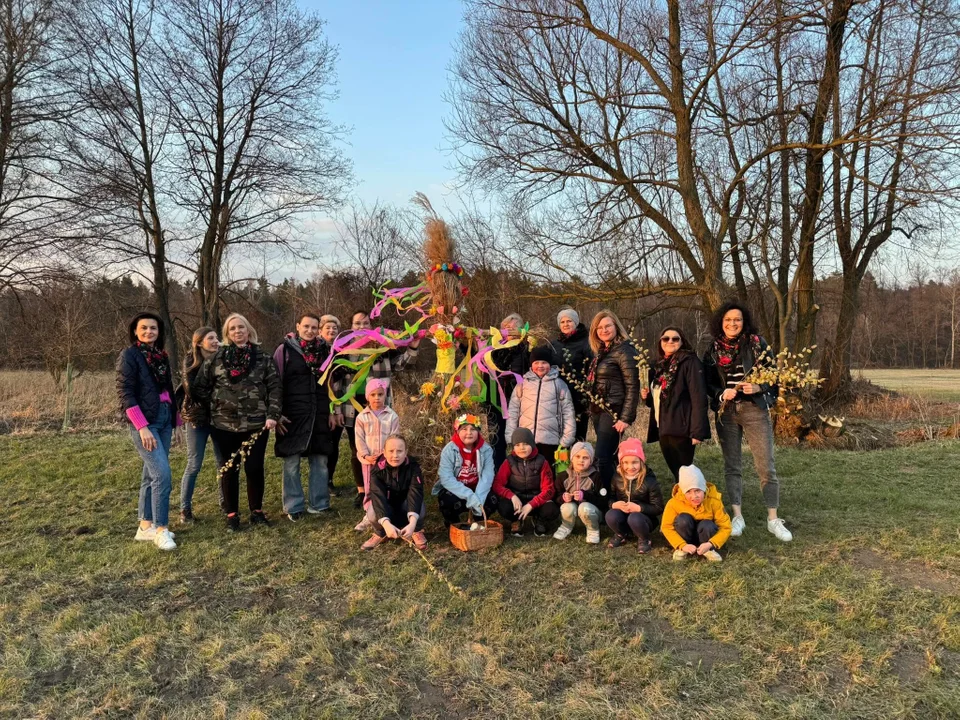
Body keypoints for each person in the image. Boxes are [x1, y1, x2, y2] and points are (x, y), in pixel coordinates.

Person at [702, 300, 793, 542]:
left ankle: (773, 519)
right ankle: (737, 516)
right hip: (727, 412)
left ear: (744, 322)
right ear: (721, 322)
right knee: (732, 466)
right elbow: (707, 384)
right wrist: (721, 394)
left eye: (737, 320)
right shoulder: (712, 350)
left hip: (754, 410)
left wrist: (759, 387)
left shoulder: (757, 344)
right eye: (728, 320)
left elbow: (774, 377)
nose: (733, 324)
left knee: (766, 466)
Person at [192, 312, 281, 532]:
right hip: (223, 425)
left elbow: (275, 387)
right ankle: (232, 515)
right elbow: (200, 387)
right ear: (227, 333)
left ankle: (256, 512)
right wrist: (215, 406)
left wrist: (273, 414)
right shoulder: (216, 358)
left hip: (256, 424)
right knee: (229, 469)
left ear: (248, 330)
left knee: (254, 468)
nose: (237, 331)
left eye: (241, 327)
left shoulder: (263, 358)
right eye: (232, 328)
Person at [338, 310, 420, 509]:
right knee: (358, 449)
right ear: (351, 326)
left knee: (384, 447)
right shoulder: (344, 350)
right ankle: (362, 491)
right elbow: (337, 381)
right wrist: (337, 409)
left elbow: (401, 364)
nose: (361, 327)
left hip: (379, 405)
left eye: (365, 323)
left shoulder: (382, 347)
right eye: (357, 323)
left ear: (371, 325)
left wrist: (413, 347)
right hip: (352, 406)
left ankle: (384, 487)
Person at [116, 311, 178, 551]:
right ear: (135, 331)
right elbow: (125, 393)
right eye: (144, 328)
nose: (149, 331)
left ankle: (145, 527)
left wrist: (176, 422)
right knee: (162, 474)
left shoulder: (161, 356)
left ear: (159, 332)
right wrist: (141, 426)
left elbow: (169, 389)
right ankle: (161, 529)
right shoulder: (130, 355)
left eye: (153, 328)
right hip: (146, 422)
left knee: (150, 474)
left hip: (164, 419)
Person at [273, 312, 335, 522]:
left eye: (314, 327)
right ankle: (294, 505)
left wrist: (332, 410)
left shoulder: (326, 351)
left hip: (319, 412)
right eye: (306, 326)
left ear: (319, 330)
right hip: (292, 414)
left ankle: (319, 503)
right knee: (292, 461)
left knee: (320, 459)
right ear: (298, 326)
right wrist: (277, 413)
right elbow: (275, 382)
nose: (310, 330)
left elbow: (331, 383)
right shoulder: (284, 350)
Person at [642, 326, 710, 481]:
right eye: (666, 338)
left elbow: (699, 397)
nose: (670, 341)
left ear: (682, 341)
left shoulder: (690, 362)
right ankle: (681, 494)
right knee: (676, 471)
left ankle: (694, 493)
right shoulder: (659, 366)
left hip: (682, 427)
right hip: (663, 426)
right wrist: (647, 396)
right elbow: (656, 400)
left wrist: (697, 431)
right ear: (660, 342)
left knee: (685, 471)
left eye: (675, 338)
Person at [586, 310, 640, 502]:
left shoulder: (625, 350)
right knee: (610, 457)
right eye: (599, 328)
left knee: (602, 457)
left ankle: (609, 497)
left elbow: (632, 386)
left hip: (614, 411)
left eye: (608, 325)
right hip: (599, 411)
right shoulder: (603, 351)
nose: (604, 330)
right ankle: (620, 495)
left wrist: (626, 417)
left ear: (616, 326)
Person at [177, 326, 224, 523]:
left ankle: (225, 503)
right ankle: (185, 509)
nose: (215, 341)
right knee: (194, 463)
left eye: (216, 337)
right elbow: (193, 390)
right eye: (210, 338)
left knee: (223, 463)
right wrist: (219, 400)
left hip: (220, 418)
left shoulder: (222, 358)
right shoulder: (190, 361)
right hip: (197, 418)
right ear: (199, 343)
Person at [504, 344, 576, 467]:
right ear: (531, 364)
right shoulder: (522, 384)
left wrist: (567, 437)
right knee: (527, 472)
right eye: (536, 362)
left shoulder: (559, 385)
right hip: (525, 440)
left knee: (547, 471)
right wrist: (511, 436)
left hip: (550, 439)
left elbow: (568, 411)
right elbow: (513, 411)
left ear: (550, 364)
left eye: (544, 362)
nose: (540, 366)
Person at [361, 434, 428, 551]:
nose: (395, 455)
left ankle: (416, 530)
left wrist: (412, 523)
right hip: (387, 508)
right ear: (384, 452)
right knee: (372, 513)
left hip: (406, 506)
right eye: (391, 451)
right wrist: (386, 524)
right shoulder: (377, 470)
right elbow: (377, 496)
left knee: (420, 508)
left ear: (406, 452)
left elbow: (415, 492)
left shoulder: (414, 467)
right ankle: (381, 532)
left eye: (399, 451)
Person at [483, 313, 530, 468]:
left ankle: (520, 473)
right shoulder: (493, 347)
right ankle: (498, 472)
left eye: (512, 327)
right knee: (497, 440)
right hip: (494, 401)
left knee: (519, 439)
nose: (508, 329)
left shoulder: (525, 347)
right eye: (505, 327)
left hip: (517, 401)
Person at [433, 413, 498, 527]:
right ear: (457, 431)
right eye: (464, 429)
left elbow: (487, 476)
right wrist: (470, 496)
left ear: (478, 432)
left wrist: (478, 499)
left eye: (473, 429)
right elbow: (446, 478)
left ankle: (478, 523)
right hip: (457, 488)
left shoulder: (486, 449)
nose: (469, 432)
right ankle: (454, 525)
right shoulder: (449, 450)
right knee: (447, 500)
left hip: (477, 487)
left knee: (492, 500)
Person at [492, 428, 559, 537]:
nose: (521, 448)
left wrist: (532, 504)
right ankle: (516, 520)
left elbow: (549, 489)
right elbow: (497, 485)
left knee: (551, 510)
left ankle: (539, 520)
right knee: (504, 507)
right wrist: (512, 496)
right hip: (517, 501)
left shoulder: (542, 461)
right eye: (517, 445)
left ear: (532, 444)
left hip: (536, 501)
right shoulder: (509, 461)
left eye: (525, 444)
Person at [353, 378, 401, 531]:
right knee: (369, 488)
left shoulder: (392, 416)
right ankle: (369, 515)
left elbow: (395, 437)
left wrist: (386, 455)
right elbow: (359, 439)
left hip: (386, 461)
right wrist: (366, 456)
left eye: (380, 394)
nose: (377, 398)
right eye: (373, 395)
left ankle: (386, 513)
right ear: (367, 396)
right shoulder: (362, 417)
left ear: (385, 395)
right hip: (369, 461)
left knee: (387, 486)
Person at [604, 438, 664, 553]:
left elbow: (659, 507)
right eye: (625, 463)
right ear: (620, 463)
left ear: (641, 461)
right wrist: (614, 505)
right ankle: (621, 534)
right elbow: (610, 498)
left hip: (643, 519)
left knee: (634, 517)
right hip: (623, 515)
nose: (630, 467)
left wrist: (639, 508)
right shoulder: (616, 478)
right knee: (610, 515)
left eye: (634, 462)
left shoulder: (650, 481)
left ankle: (644, 539)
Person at [661, 465, 731, 562]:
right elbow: (666, 527)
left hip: (706, 537)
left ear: (704, 488)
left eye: (697, 490)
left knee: (707, 524)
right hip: (685, 537)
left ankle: (708, 550)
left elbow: (725, 527)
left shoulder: (714, 501)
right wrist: (681, 544)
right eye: (688, 492)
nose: (694, 496)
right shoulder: (674, 503)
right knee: (683, 519)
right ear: (683, 491)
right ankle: (682, 549)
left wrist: (711, 543)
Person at [552, 308, 594, 441]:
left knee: (578, 431)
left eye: (569, 321)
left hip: (579, 394)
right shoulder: (554, 344)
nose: (566, 324)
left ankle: (579, 452)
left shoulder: (586, 342)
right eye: (562, 322)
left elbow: (591, 368)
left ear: (576, 322)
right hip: (558, 394)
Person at [552, 441, 602, 544]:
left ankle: (593, 529)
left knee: (584, 506)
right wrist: (563, 497)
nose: (581, 460)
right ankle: (566, 526)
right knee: (567, 506)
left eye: (585, 458)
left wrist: (585, 495)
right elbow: (556, 497)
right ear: (572, 458)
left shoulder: (596, 476)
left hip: (590, 513)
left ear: (591, 460)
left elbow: (603, 501)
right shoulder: (562, 476)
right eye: (577, 456)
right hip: (571, 514)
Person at [319, 315, 344, 493]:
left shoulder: (343, 351)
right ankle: (319, 481)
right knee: (322, 444)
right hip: (320, 404)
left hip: (339, 403)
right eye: (327, 327)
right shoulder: (315, 351)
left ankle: (329, 480)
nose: (331, 330)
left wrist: (337, 409)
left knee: (334, 444)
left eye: (334, 328)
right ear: (320, 330)